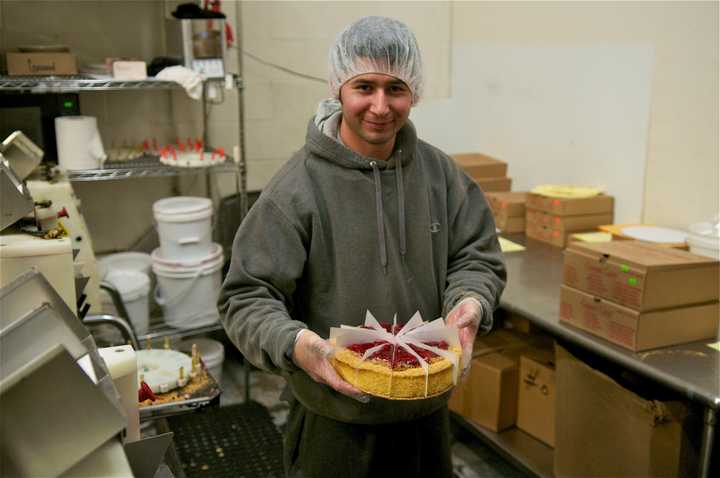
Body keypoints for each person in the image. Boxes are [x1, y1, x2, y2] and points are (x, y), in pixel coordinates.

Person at [219, 16, 506, 478]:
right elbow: (246, 297)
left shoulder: (441, 177)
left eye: (395, 88)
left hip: (425, 417)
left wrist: (470, 302)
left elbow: (475, 256)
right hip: (336, 422)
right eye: (364, 87)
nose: (380, 105)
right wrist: (296, 344)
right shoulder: (296, 190)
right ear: (338, 88)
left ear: (414, 91)